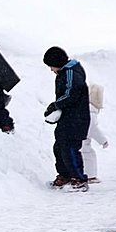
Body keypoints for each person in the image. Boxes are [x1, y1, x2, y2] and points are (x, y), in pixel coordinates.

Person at [43, 46, 90, 191]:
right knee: (59, 146)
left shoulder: (71, 73)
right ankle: (65, 175)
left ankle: (79, 178)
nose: (51, 70)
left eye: (51, 66)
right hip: (67, 117)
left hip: (76, 118)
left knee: (69, 148)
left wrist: (56, 105)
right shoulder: (65, 72)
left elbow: (71, 93)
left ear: (57, 62)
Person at [81, 84, 108, 183]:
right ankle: (89, 176)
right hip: (83, 139)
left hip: (80, 137)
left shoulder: (85, 109)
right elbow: (92, 128)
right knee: (88, 155)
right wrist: (103, 140)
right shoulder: (91, 111)